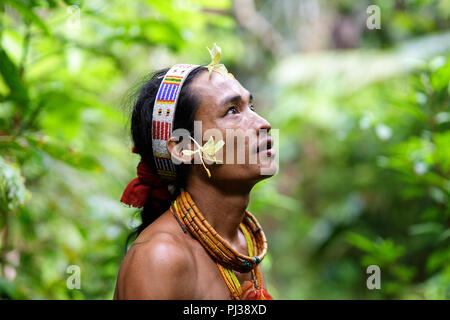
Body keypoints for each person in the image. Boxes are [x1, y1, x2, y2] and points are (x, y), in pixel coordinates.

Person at [114, 48, 277, 300]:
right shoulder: (160, 257)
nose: (263, 123)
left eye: (251, 106)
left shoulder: (243, 243)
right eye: (232, 111)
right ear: (184, 148)